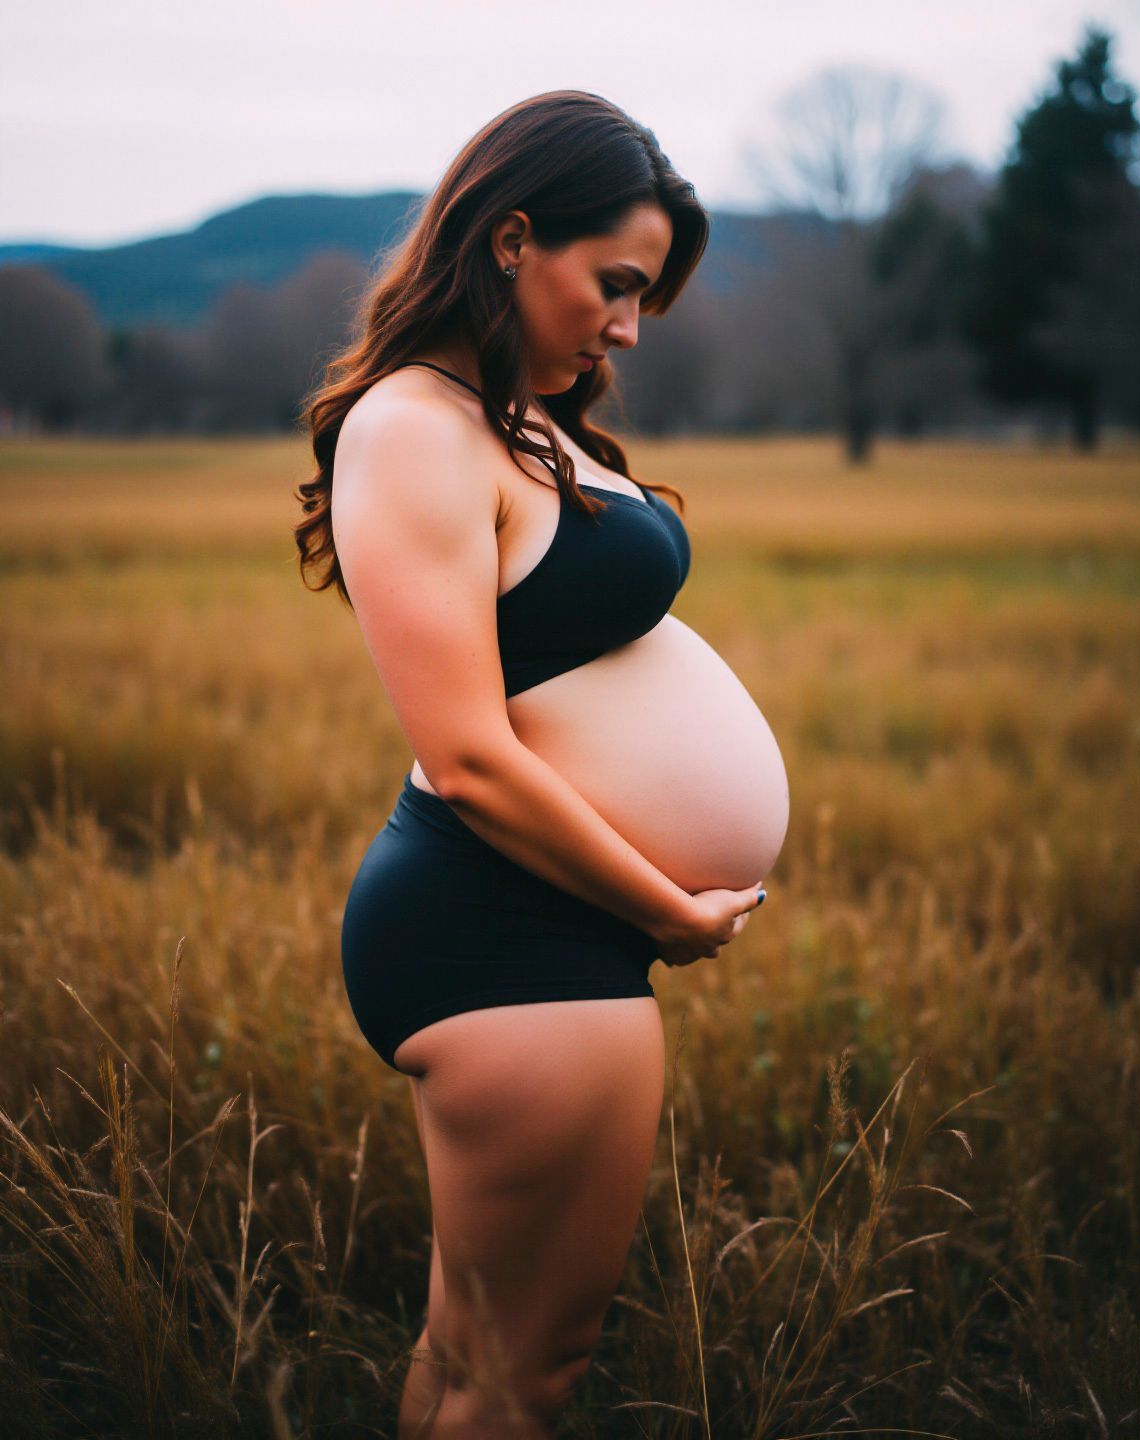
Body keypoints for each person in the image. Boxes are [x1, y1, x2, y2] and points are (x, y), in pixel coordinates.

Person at [295, 89, 787, 1439]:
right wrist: (662, 906)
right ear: (512, 239)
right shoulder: (415, 426)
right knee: (528, 1378)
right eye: (616, 285)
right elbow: (464, 754)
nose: (628, 328)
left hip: (534, 940)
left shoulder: (510, 413)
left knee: (472, 1360)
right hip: (512, 939)